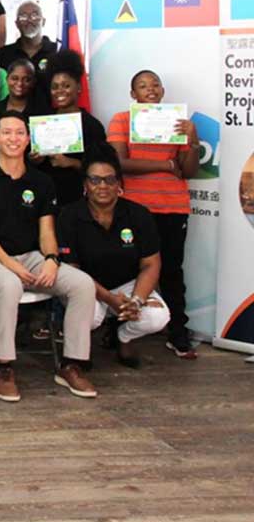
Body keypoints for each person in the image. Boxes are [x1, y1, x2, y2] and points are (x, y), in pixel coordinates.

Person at [0, 111, 99, 401]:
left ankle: (72, 364)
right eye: (6, 133)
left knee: (82, 284)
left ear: (28, 139)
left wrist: (51, 259)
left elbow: (47, 230)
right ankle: (3, 367)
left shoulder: (41, 181)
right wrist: (9, 263)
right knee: (10, 284)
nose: (13, 139)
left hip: (33, 257)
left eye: (19, 133)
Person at [106, 69, 200, 358]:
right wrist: (164, 166)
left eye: (155, 84)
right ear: (133, 94)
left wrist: (192, 138)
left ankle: (178, 333)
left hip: (173, 207)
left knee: (172, 270)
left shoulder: (178, 123)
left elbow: (189, 170)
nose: (150, 89)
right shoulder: (122, 119)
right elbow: (119, 163)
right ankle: (115, 330)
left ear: (162, 91)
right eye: (142, 86)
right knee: (125, 269)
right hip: (133, 208)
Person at [56, 146, 172, 368]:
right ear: (85, 185)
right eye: (95, 180)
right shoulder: (69, 216)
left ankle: (123, 337)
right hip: (87, 286)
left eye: (110, 180)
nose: (102, 186)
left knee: (158, 317)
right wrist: (110, 300)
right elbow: (72, 269)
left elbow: (151, 263)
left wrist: (136, 301)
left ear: (119, 184)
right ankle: (80, 349)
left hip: (128, 286)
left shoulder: (138, 214)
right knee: (88, 319)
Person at [34, 52, 106, 207]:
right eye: (55, 87)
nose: (60, 91)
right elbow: (33, 165)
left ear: (79, 88)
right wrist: (34, 159)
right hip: (46, 199)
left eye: (66, 86)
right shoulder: (42, 123)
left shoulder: (92, 126)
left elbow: (102, 169)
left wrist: (71, 162)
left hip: (80, 199)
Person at [0, 1, 58, 83]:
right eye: (23, 17)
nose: (29, 20)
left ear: (43, 21)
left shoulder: (57, 51)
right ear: (16, 24)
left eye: (35, 16)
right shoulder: (3, 54)